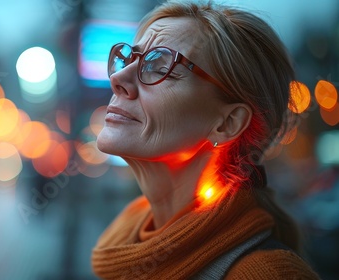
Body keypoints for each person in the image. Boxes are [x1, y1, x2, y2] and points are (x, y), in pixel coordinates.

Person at [91, 1, 320, 279]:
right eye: (128, 59)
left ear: (227, 123)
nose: (118, 77)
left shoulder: (266, 273)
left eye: (159, 66)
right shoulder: (122, 242)